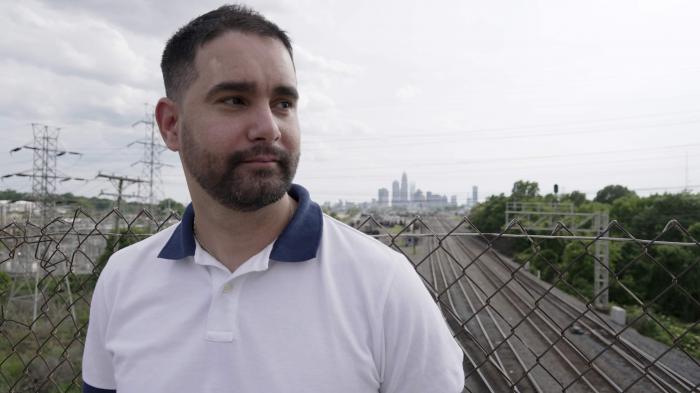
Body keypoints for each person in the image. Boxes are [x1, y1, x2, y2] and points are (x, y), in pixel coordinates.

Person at [82, 4, 464, 393]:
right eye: (235, 100)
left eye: (283, 103)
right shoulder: (122, 278)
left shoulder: (384, 284)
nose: (269, 128)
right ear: (171, 125)